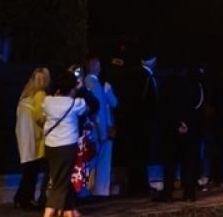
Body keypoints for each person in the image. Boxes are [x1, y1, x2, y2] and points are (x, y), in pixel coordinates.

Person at [40, 68, 89, 217]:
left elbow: (44, 113)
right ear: (74, 86)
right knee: (60, 183)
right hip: (67, 146)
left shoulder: (47, 102)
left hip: (50, 147)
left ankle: (69, 211)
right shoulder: (76, 103)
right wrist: (81, 89)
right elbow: (88, 107)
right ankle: (49, 213)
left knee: (60, 179)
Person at [156, 65, 205, 202]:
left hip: (171, 129)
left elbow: (163, 107)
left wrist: (176, 123)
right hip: (189, 130)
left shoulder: (166, 84)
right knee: (188, 162)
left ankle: (167, 193)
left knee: (170, 163)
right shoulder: (195, 84)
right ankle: (189, 193)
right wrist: (187, 123)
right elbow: (198, 106)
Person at [121, 52, 159, 197]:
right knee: (142, 155)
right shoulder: (147, 78)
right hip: (144, 122)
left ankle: (134, 186)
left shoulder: (132, 76)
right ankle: (141, 186)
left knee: (135, 156)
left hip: (132, 121)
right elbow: (151, 102)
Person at [13, 67, 50, 210]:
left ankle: (20, 196)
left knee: (28, 169)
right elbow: (40, 117)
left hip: (23, 135)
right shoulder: (40, 94)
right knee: (32, 171)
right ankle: (25, 199)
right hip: (34, 138)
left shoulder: (25, 94)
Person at [87, 63, 120, 198]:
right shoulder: (101, 86)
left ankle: (90, 189)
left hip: (93, 128)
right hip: (103, 129)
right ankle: (100, 190)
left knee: (92, 159)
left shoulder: (86, 83)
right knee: (101, 160)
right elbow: (114, 103)